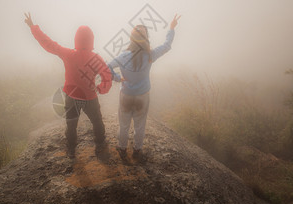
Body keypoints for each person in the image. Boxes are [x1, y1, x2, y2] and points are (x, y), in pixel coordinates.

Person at [24, 12, 112, 159]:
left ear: (76, 39)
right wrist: (100, 88)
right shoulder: (95, 58)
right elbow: (107, 76)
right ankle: (100, 144)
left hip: (72, 97)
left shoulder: (68, 54)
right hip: (90, 97)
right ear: (91, 40)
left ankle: (71, 149)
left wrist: (33, 27)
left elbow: (49, 44)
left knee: (71, 125)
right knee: (97, 122)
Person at [108, 14, 181, 162]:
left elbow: (106, 67)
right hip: (142, 96)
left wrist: (117, 78)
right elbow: (167, 45)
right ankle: (137, 150)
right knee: (140, 125)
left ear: (132, 39)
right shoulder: (150, 55)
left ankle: (122, 149)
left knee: (124, 125)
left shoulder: (123, 56)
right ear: (146, 39)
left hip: (126, 95)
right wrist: (171, 28)